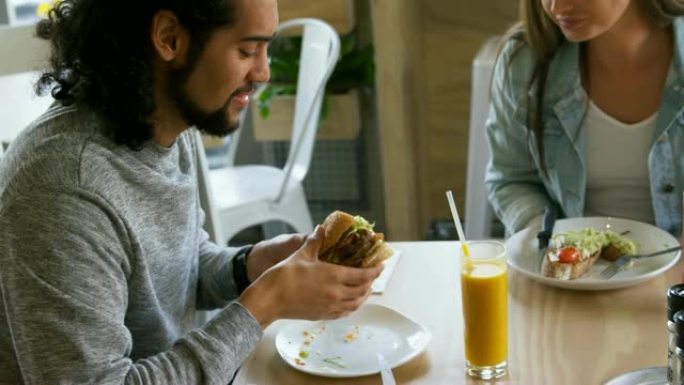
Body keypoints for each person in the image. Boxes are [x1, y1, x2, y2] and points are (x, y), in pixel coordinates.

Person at [0, 0, 383, 384]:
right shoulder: (64, 190)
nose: (264, 72)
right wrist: (265, 304)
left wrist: (253, 265)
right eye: (247, 50)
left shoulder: (161, 126)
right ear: (169, 38)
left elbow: (175, 269)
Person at [485, 0, 684, 237]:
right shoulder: (525, 63)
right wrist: (545, 238)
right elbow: (511, 180)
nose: (557, 7)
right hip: (565, 268)